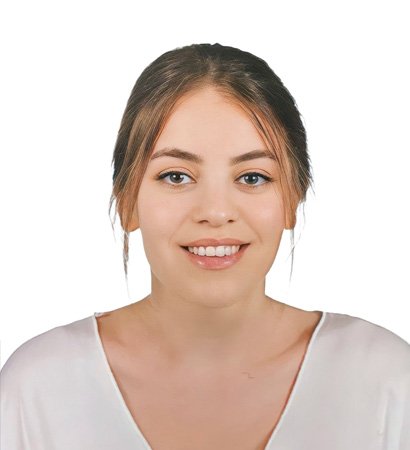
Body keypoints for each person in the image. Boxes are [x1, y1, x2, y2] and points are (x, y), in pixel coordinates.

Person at [1, 43, 409, 450]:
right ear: (126, 201)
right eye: (176, 176)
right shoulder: (39, 387)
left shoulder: (383, 379)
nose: (215, 212)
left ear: (292, 200)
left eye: (252, 177)